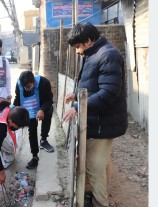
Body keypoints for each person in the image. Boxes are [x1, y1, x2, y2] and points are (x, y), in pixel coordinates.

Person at [62, 22, 127, 207]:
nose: (77, 51)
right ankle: (98, 196)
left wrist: (78, 106)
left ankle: (100, 203)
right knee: (102, 163)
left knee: (94, 167)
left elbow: (108, 93)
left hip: (102, 122)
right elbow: (90, 84)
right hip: (98, 119)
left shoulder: (108, 55)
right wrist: (76, 94)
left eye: (78, 46)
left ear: (89, 40)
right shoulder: (93, 54)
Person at [13, 70, 55, 170]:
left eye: (28, 86)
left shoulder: (44, 82)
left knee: (48, 111)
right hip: (30, 110)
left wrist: (41, 110)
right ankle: (35, 156)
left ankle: (44, 139)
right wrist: (12, 109)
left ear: (34, 82)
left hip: (42, 106)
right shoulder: (19, 85)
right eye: (25, 87)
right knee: (32, 131)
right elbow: (18, 99)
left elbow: (49, 100)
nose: (26, 89)